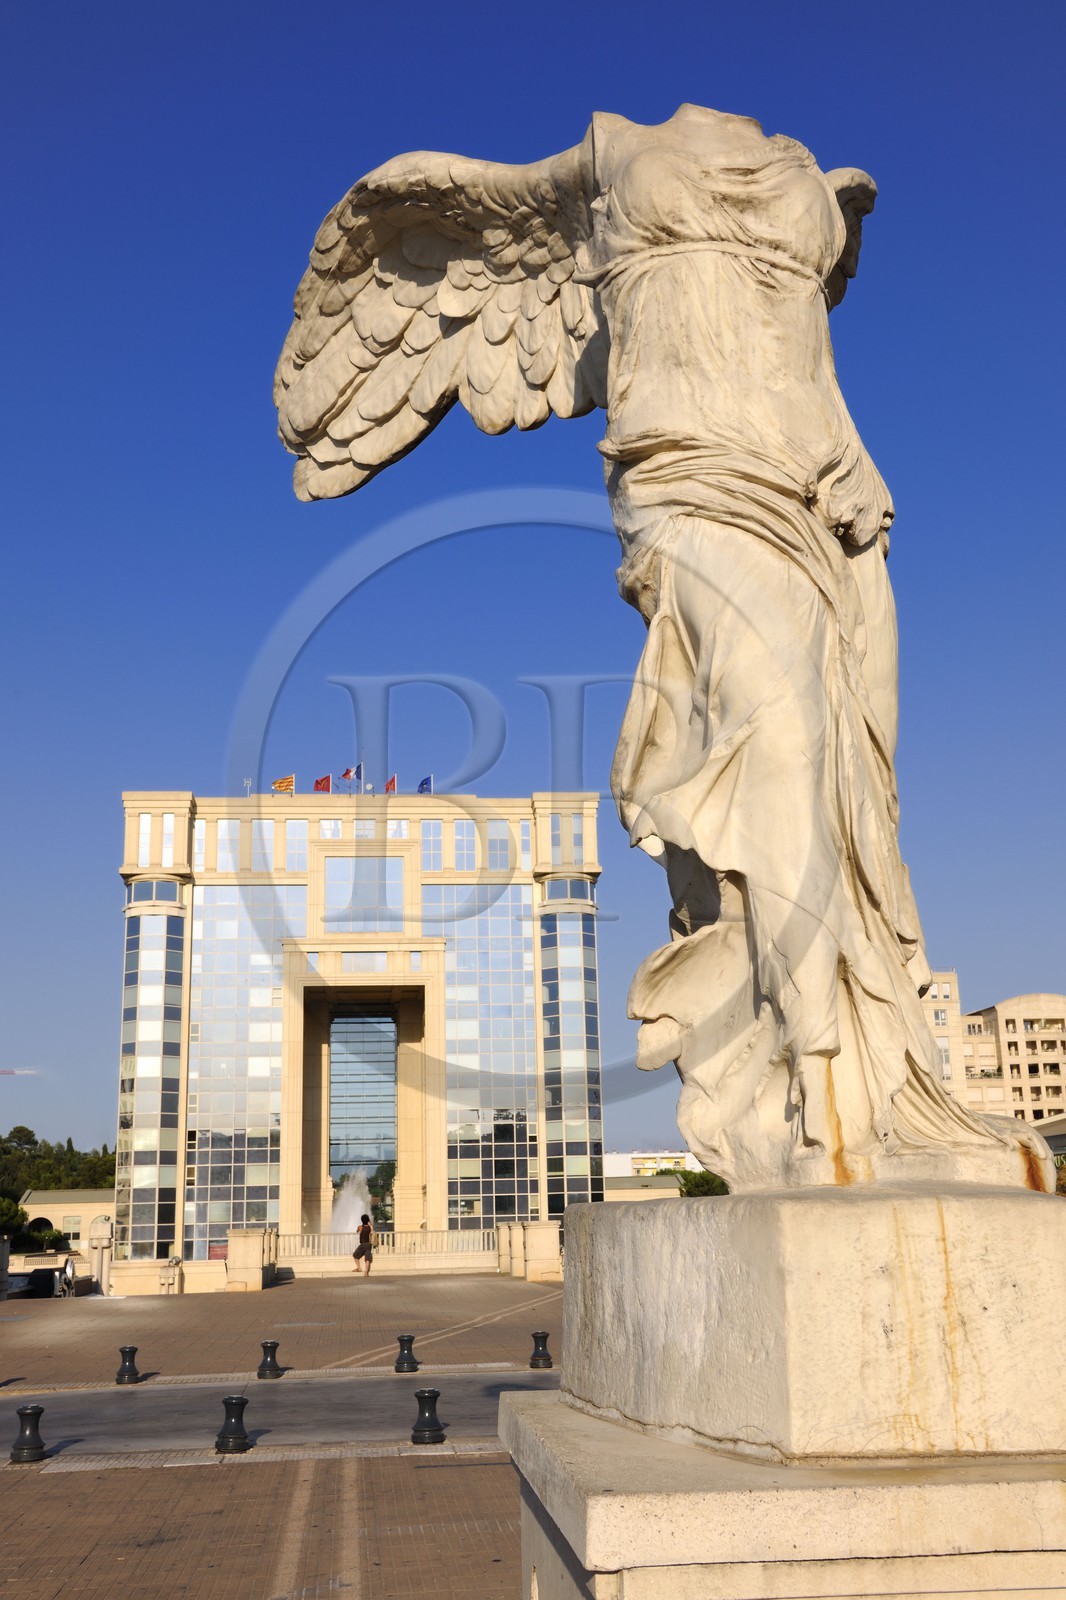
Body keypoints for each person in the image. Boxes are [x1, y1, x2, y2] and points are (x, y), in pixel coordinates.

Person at [276, 105, 1052, 1193]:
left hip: (817, 482)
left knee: (853, 789)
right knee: (780, 753)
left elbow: (801, 341)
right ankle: (822, 1092)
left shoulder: (809, 173)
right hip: (687, 473)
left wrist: (851, 456)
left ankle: (873, 1089)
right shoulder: (605, 161)